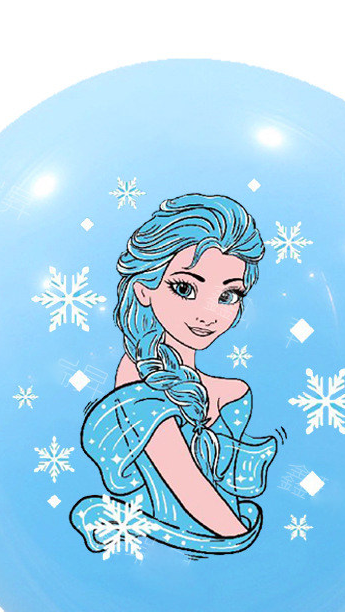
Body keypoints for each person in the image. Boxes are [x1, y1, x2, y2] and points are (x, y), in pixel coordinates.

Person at [70, 194, 278, 557]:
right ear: (143, 289)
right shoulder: (139, 377)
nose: (208, 314)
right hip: (186, 544)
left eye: (228, 295)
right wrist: (249, 544)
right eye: (185, 288)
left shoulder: (228, 390)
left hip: (227, 542)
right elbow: (188, 487)